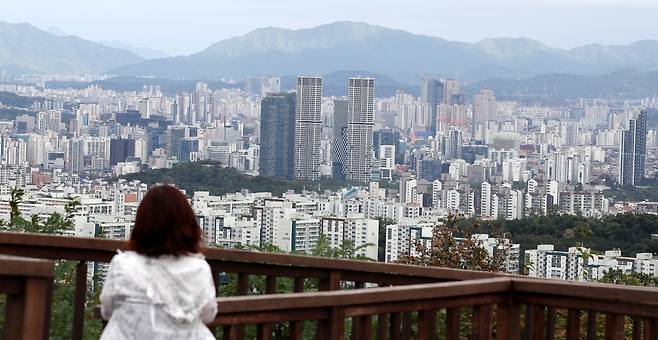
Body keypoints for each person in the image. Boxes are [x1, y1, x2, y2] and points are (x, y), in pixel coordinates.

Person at [100, 185, 217, 339]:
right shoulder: (198, 268)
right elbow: (208, 314)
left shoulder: (122, 264)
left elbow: (107, 310)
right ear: (187, 225)